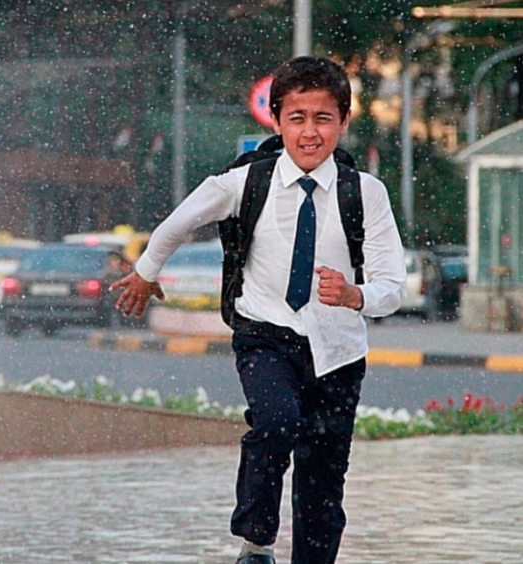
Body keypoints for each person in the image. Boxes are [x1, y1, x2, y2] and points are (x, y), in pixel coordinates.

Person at [110, 56, 406, 564]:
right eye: (297, 118)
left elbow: (392, 285)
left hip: (338, 352)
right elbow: (179, 221)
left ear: (343, 121)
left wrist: (355, 295)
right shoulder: (247, 182)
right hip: (266, 335)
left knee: (323, 482)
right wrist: (146, 271)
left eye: (323, 118)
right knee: (275, 423)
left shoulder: (365, 193)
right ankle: (256, 542)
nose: (309, 132)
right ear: (277, 120)